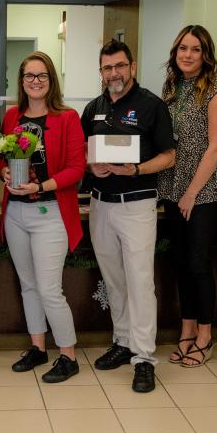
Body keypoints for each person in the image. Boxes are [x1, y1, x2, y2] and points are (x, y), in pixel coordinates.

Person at [81, 39, 175, 393]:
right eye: (107, 68)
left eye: (120, 66)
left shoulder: (151, 105)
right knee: (113, 278)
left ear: (132, 67)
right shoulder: (93, 109)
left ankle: (145, 358)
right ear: (101, 71)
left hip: (137, 203)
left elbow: (169, 156)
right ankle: (122, 342)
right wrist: (94, 167)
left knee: (139, 281)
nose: (114, 73)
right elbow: (84, 155)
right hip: (100, 203)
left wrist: (134, 170)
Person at [0, 52, 86, 383]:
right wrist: (4, 172)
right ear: (21, 81)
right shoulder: (12, 117)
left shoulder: (67, 118)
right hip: (16, 212)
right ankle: (38, 347)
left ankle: (68, 354)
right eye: (29, 76)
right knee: (29, 286)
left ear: (51, 81)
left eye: (42, 76)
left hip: (51, 214)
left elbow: (77, 168)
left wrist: (41, 184)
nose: (35, 81)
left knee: (49, 289)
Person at [157, 25, 217, 368]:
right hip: (171, 189)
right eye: (183, 48)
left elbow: (216, 148)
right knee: (181, 263)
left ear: (206, 55)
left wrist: (190, 192)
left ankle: (205, 335)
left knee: (199, 263)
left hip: (203, 193)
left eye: (195, 50)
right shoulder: (172, 88)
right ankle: (186, 330)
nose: (187, 55)